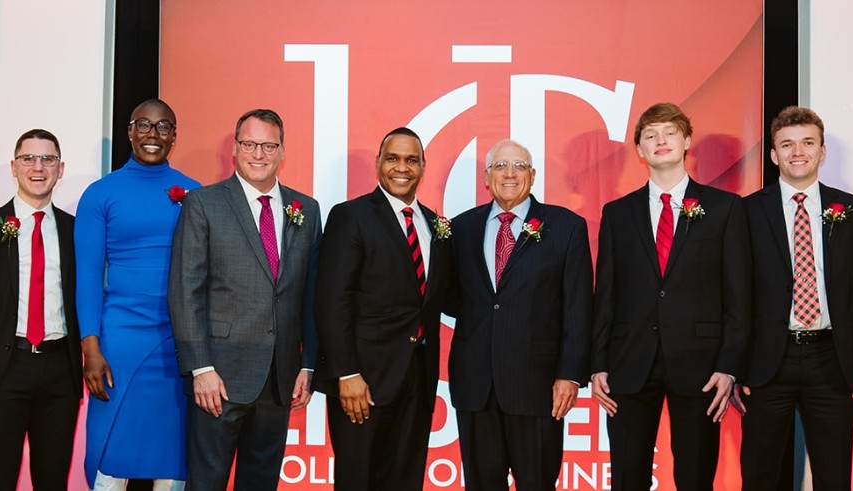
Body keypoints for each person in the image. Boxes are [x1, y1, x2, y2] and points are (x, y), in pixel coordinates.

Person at [590, 102, 749, 491]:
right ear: (640, 151)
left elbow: (739, 295)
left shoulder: (725, 208)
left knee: (695, 477)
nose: (661, 141)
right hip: (628, 364)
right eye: (650, 135)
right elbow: (605, 293)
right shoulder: (617, 213)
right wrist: (597, 364)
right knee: (628, 477)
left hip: (702, 366)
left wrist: (729, 365)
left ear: (686, 141)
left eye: (669, 132)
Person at [169, 109, 321, 490]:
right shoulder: (204, 204)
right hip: (218, 378)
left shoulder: (306, 208)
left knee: (261, 482)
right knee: (206, 482)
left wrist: (307, 363)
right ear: (235, 149)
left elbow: (310, 294)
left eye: (269, 145)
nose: (259, 154)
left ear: (282, 151)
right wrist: (200, 368)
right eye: (250, 144)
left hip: (279, 379)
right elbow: (185, 291)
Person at [738, 107, 853, 490]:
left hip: (832, 360)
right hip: (768, 362)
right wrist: (737, 364)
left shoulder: (852, 211)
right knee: (759, 475)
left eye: (806, 143)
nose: (796, 152)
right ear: (773, 154)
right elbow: (736, 296)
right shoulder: (747, 211)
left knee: (834, 476)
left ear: (822, 152)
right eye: (786, 144)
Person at [445, 139, 591, 491]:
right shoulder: (461, 228)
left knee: (536, 483)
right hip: (476, 385)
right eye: (500, 166)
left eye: (519, 166)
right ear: (486, 177)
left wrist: (570, 374)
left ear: (533, 175)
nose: (509, 174)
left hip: (537, 387)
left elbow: (578, 306)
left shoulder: (566, 226)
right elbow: (452, 297)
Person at [314, 127, 451, 491]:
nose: (401, 167)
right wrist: (346, 374)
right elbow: (331, 299)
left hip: (418, 383)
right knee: (358, 480)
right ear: (378, 164)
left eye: (411, 159)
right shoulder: (350, 216)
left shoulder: (436, 225)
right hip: (364, 383)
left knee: (405, 481)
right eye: (393, 158)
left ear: (423, 166)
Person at [76, 99, 200, 490]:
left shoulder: (195, 193)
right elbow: (89, 276)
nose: (153, 134)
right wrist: (91, 349)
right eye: (143, 125)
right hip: (120, 344)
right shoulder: (100, 194)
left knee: (173, 458)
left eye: (163, 127)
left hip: (177, 344)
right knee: (110, 461)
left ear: (174, 137)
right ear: (129, 131)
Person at [0, 129, 81, 490]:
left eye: (48, 159)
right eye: (29, 158)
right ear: (14, 167)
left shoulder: (77, 231)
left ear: (60, 169)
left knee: (52, 478)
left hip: (61, 370)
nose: (38, 167)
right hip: (3, 371)